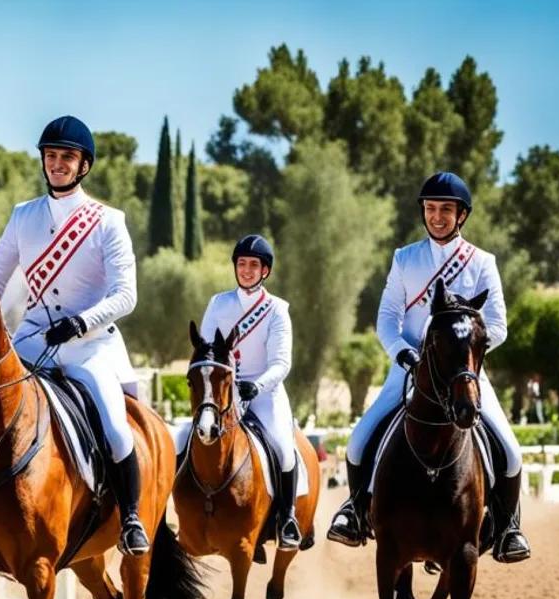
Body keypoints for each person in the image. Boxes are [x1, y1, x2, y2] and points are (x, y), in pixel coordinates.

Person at [0, 115, 147, 569]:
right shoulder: (24, 216)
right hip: (33, 337)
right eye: (51, 156)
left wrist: (82, 323)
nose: (58, 164)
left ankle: (132, 521)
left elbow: (126, 295)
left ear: (83, 165)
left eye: (67, 157)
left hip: (91, 344)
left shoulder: (107, 222)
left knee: (117, 430)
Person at [326, 172, 531, 564]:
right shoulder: (406, 258)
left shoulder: (482, 263)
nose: (437, 216)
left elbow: (499, 326)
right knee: (358, 442)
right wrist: (403, 352)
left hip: (464, 375)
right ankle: (354, 512)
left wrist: (465, 356)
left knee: (511, 451)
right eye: (431, 208)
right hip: (410, 371)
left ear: (461, 215)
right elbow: (387, 317)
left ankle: (507, 528)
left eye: (446, 210)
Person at [198, 234, 302, 550]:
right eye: (241, 264)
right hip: (223, 391)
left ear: (264, 271)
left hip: (264, 390)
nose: (246, 270)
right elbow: (205, 351)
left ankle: (287, 518)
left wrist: (256, 385)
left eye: (253, 265)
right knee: (184, 440)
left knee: (284, 450)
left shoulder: (276, 310)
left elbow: (281, 362)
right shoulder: (219, 303)